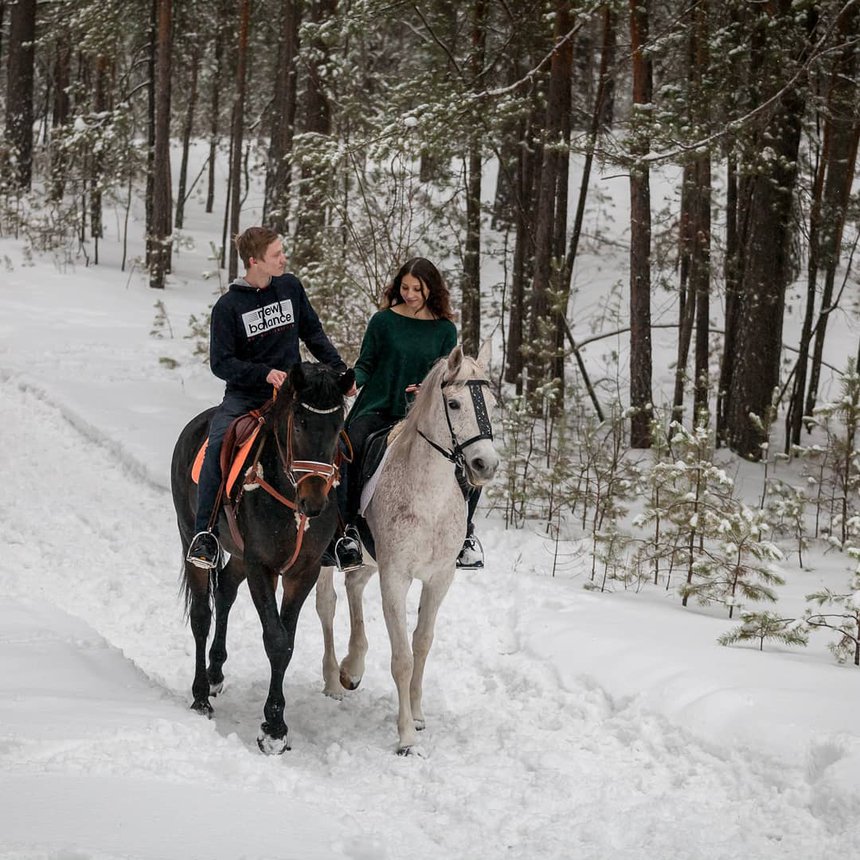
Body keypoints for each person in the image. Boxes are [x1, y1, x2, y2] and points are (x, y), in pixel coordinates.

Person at [187, 226, 354, 570]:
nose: (283, 258)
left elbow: (313, 332)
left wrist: (338, 374)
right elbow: (221, 363)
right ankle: (205, 534)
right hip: (247, 396)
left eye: (282, 252)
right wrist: (262, 373)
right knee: (218, 443)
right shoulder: (229, 306)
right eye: (276, 254)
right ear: (254, 261)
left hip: (293, 394)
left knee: (334, 441)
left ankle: (338, 534)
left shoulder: (289, 287)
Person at [334, 256, 484, 571]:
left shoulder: (444, 329)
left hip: (424, 415)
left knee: (466, 456)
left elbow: (446, 375)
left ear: (432, 289)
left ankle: (465, 535)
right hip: (378, 406)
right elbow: (367, 363)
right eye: (405, 287)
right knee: (350, 446)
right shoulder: (383, 321)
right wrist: (352, 382)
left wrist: (426, 391)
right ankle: (347, 532)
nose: (410, 294)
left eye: (418, 288)